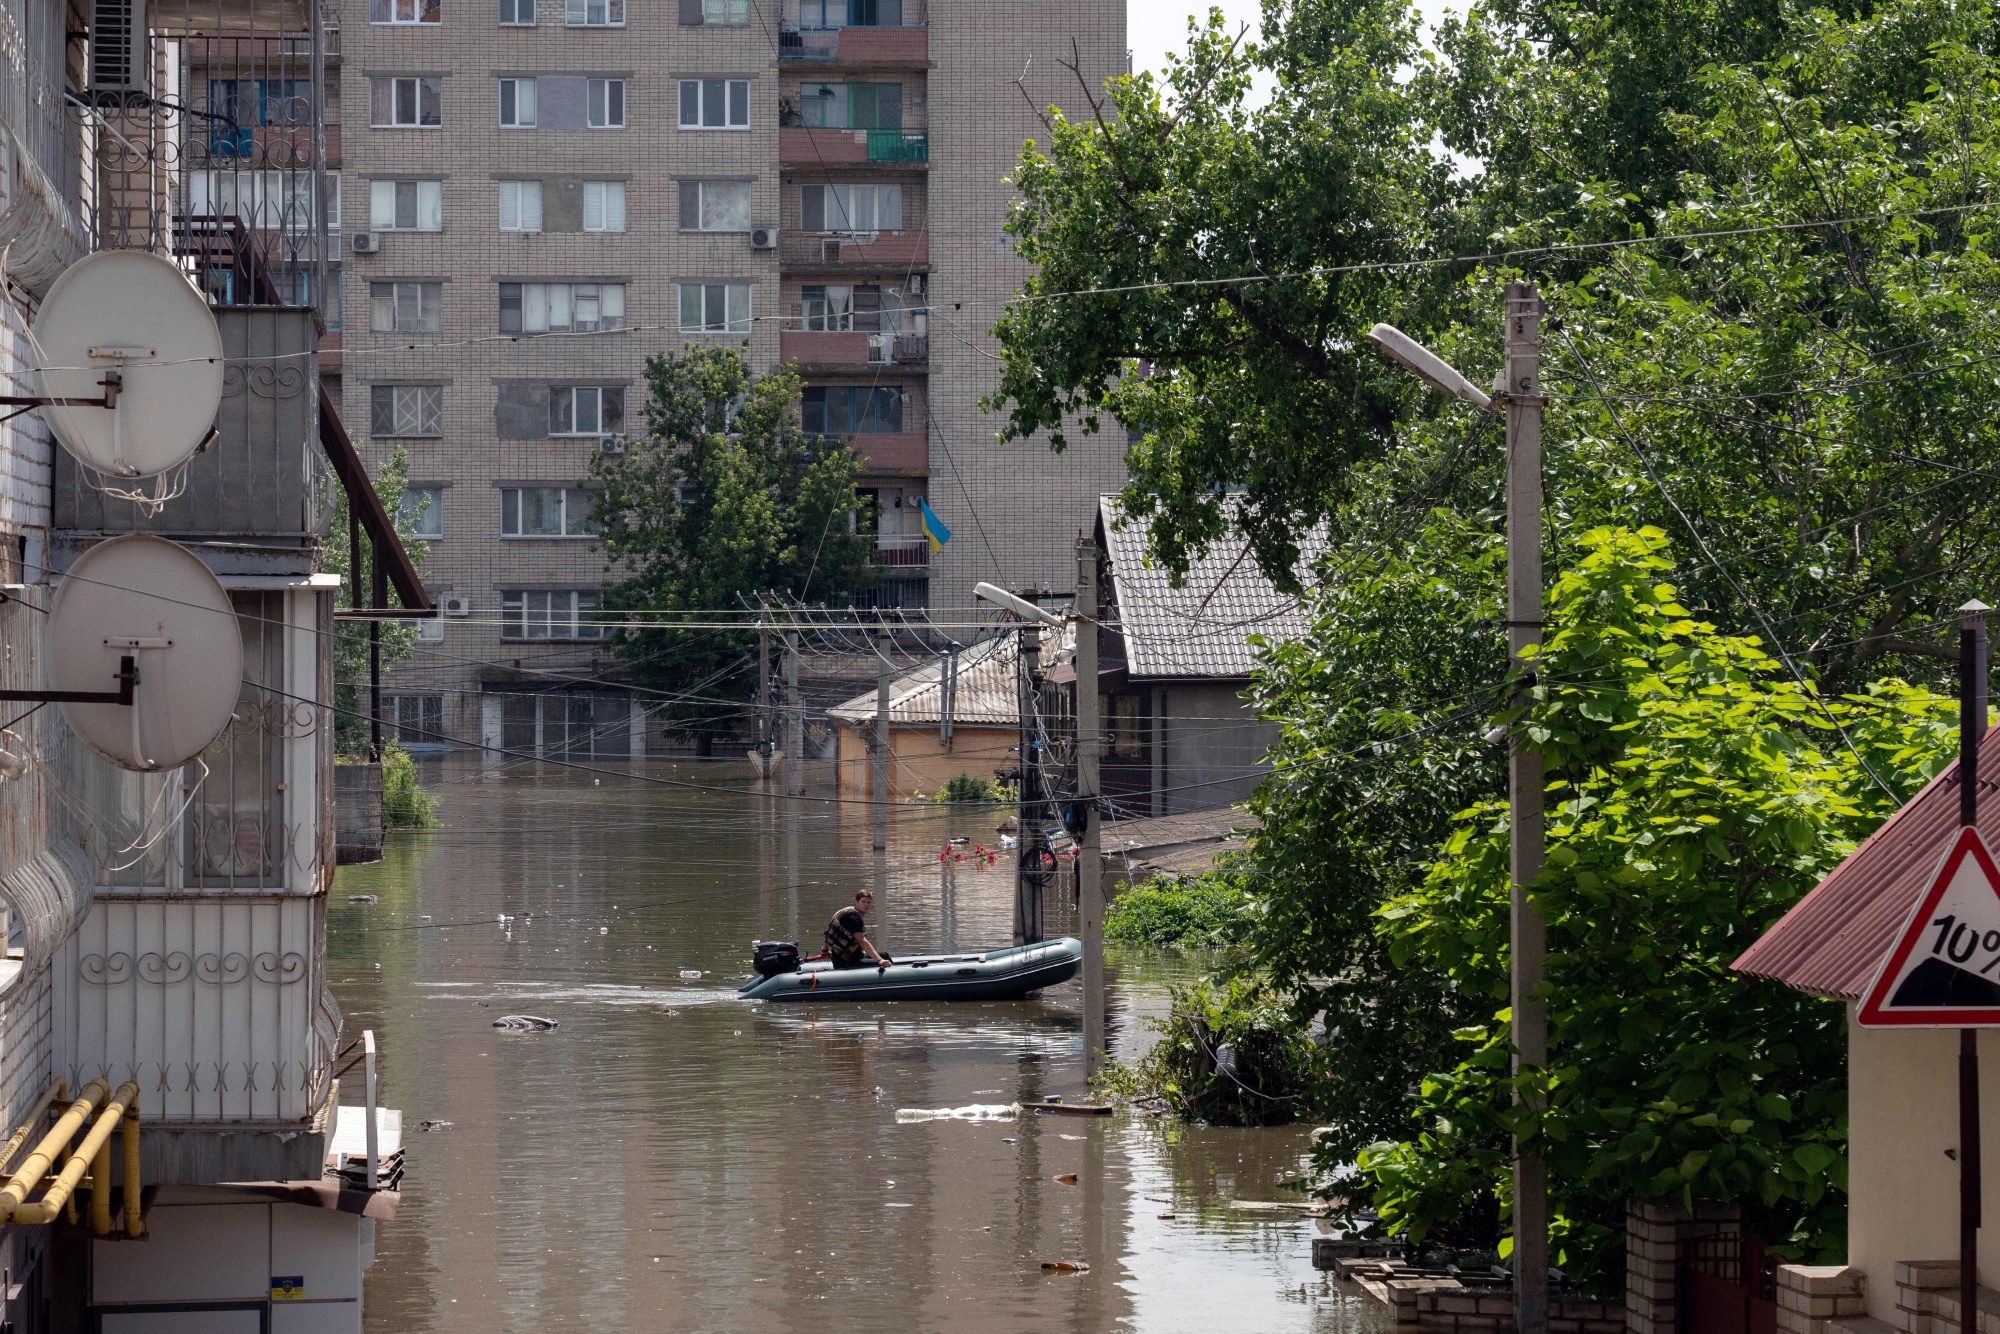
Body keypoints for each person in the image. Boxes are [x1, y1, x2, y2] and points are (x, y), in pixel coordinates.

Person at [824, 890, 891, 970]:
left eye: (869, 902)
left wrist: (824, 949)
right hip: (846, 961)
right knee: (882, 964)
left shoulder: (850, 913)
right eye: (863, 902)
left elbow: (829, 934)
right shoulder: (852, 919)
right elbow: (862, 941)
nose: (866, 905)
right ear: (857, 902)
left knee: (885, 955)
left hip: (855, 955)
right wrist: (880, 960)